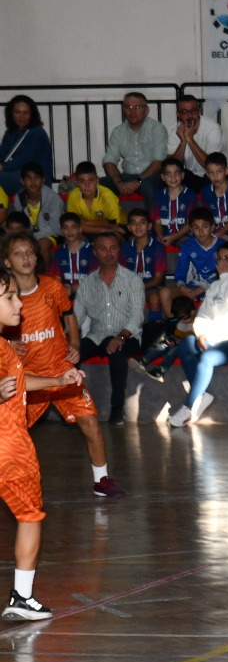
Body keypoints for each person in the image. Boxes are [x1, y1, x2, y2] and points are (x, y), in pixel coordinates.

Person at [2, 232, 124, 497]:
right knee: (12, 435)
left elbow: (69, 316)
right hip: (29, 377)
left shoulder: (53, 287)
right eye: (18, 253)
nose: (25, 258)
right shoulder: (6, 297)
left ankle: (101, 481)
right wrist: (8, 346)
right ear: (7, 262)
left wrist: (75, 344)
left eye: (30, 252)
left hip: (61, 371)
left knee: (91, 422)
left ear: (37, 257)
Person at [0, 265, 85, 621]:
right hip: (9, 447)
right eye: (9, 297)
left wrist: (58, 379)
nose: (19, 302)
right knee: (30, 516)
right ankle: (22, 596)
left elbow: (19, 383)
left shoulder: (4, 346)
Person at [168, 240, 228, 428]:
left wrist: (225, 278)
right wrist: (201, 334)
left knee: (208, 358)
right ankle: (201, 395)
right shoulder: (214, 286)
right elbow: (203, 315)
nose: (223, 263)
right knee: (187, 343)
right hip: (217, 338)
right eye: (220, 259)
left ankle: (188, 408)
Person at [73, 233, 145, 426]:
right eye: (103, 248)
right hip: (97, 335)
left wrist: (121, 336)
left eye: (113, 248)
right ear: (95, 252)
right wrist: (69, 340)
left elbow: (137, 316)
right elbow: (77, 317)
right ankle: (71, 404)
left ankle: (116, 409)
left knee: (117, 354)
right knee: (71, 355)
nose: (109, 253)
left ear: (119, 251)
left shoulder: (133, 280)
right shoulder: (87, 283)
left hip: (127, 335)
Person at [101, 91, 168, 200]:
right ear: (123, 110)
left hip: (151, 177)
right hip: (127, 176)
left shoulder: (157, 129)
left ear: (146, 110)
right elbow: (109, 160)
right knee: (100, 184)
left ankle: (154, 217)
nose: (132, 111)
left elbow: (159, 162)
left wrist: (138, 181)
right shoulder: (118, 131)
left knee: (148, 186)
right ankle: (115, 217)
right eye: (128, 107)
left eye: (137, 107)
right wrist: (118, 183)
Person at [162, 207, 221, 316]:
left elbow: (226, 276)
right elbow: (181, 271)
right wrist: (182, 287)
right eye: (196, 227)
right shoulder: (187, 246)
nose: (201, 231)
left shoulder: (222, 245)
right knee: (164, 293)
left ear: (212, 227)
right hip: (192, 286)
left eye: (205, 226)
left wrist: (205, 287)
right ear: (191, 229)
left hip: (214, 287)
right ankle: (175, 327)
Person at [131, 295, 196, 383]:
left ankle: (161, 370)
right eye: (180, 318)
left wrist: (181, 342)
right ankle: (144, 360)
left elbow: (197, 341)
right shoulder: (180, 323)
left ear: (192, 312)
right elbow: (177, 335)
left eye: (185, 318)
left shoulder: (198, 323)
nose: (183, 321)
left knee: (176, 349)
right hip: (178, 343)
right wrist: (172, 340)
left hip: (190, 348)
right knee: (165, 345)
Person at [166, 93, 224, 183]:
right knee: (171, 180)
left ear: (199, 111)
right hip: (192, 175)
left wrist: (190, 139)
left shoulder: (212, 128)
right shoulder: (175, 131)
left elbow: (213, 166)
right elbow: (172, 167)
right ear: (178, 114)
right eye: (185, 112)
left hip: (219, 174)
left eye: (193, 111)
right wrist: (183, 142)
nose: (190, 115)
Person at [9, 162, 64, 255]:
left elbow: (57, 228)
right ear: (22, 181)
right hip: (29, 235)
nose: (33, 182)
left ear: (43, 180)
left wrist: (33, 237)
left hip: (55, 235)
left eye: (37, 178)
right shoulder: (19, 199)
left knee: (42, 244)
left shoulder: (53, 198)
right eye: (28, 178)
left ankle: (46, 270)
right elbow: (21, 225)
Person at [121, 208, 167, 315]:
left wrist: (138, 288)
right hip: (130, 287)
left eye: (142, 223)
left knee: (155, 298)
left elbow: (158, 279)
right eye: (134, 223)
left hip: (151, 287)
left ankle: (155, 329)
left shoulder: (157, 247)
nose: (138, 227)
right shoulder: (125, 247)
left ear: (149, 226)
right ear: (129, 227)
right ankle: (123, 329)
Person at [2, 95, 53, 191]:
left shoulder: (37, 132)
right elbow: (2, 155)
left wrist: (3, 167)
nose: (21, 117)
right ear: (11, 114)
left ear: (32, 114)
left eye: (26, 113)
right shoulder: (10, 133)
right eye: (17, 112)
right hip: (17, 175)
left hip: (37, 179)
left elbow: (24, 159)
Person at [65, 161, 125, 239]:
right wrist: (103, 229)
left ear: (97, 180)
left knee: (114, 236)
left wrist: (84, 222)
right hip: (101, 230)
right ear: (77, 182)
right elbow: (73, 226)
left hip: (118, 227)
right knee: (72, 236)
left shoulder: (107, 196)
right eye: (82, 181)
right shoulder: (73, 196)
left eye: (91, 180)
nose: (87, 185)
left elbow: (114, 225)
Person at [151, 156, 199, 248]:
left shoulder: (190, 195)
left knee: (189, 244)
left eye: (177, 173)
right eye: (168, 174)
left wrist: (174, 237)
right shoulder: (159, 196)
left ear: (182, 175)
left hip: (183, 235)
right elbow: (157, 222)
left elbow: (190, 223)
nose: (173, 178)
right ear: (163, 177)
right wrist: (160, 236)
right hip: (164, 235)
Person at [196, 151, 228, 237]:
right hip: (214, 232)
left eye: (219, 171)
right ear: (207, 174)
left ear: (226, 171)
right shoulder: (205, 191)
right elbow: (206, 216)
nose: (215, 176)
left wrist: (221, 233)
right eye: (211, 173)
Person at [49, 212, 94, 295]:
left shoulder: (92, 251)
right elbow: (56, 279)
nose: (70, 231)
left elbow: (95, 282)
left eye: (73, 227)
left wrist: (73, 289)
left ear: (80, 229)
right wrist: (61, 288)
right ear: (61, 231)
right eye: (66, 228)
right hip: (66, 299)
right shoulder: (59, 252)